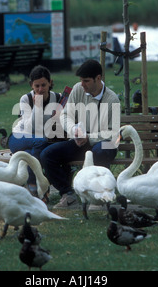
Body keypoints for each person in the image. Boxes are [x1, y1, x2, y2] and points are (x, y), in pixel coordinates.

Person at [40, 59, 121, 208]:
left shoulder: (112, 99)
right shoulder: (78, 89)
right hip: (79, 141)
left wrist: (88, 137)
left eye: (86, 81)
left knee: (100, 151)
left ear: (98, 78)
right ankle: (67, 194)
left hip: (103, 143)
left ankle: (99, 196)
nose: (82, 84)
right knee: (47, 154)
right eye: (81, 80)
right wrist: (74, 130)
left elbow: (113, 133)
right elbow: (66, 115)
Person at [8, 65, 61, 197]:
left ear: (50, 83)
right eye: (36, 86)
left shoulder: (58, 98)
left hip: (39, 142)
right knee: (40, 142)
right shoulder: (26, 99)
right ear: (31, 85)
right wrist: (37, 106)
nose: (40, 89)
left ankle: (36, 188)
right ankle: (34, 183)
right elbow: (30, 128)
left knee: (30, 152)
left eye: (43, 85)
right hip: (19, 138)